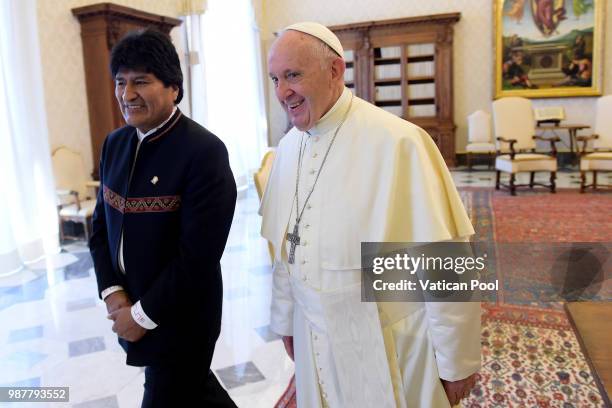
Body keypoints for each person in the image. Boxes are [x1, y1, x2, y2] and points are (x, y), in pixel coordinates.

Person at [260, 22, 481, 407]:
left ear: (335, 70)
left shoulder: (400, 142)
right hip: (312, 335)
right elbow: (285, 248)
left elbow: (445, 261)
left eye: (293, 75)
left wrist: (457, 362)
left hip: (387, 339)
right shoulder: (288, 149)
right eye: (275, 78)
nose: (282, 92)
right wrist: (284, 320)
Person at [89, 29, 237, 407]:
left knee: (167, 393)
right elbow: (100, 229)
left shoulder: (204, 152)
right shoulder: (115, 143)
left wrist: (139, 316)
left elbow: (198, 258)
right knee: (195, 393)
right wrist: (113, 294)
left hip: (183, 319)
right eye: (120, 82)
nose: (126, 94)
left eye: (141, 81)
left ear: (173, 87)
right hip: (131, 307)